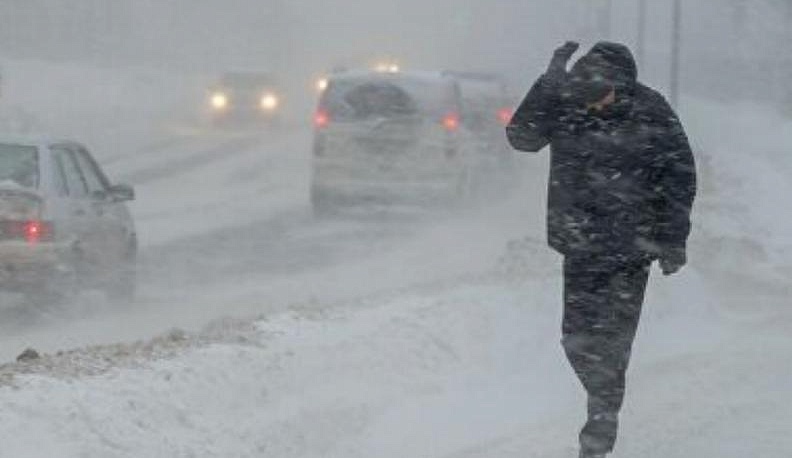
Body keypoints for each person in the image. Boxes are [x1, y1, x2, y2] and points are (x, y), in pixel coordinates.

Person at [506, 41, 697, 458]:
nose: (595, 106)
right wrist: (550, 82)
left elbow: (679, 175)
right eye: (588, 97)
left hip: (631, 250)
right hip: (580, 244)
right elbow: (521, 137)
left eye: (603, 96)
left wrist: (672, 238)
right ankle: (603, 399)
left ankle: (601, 421)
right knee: (574, 338)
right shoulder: (568, 102)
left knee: (613, 341)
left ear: (622, 85)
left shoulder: (652, 111)